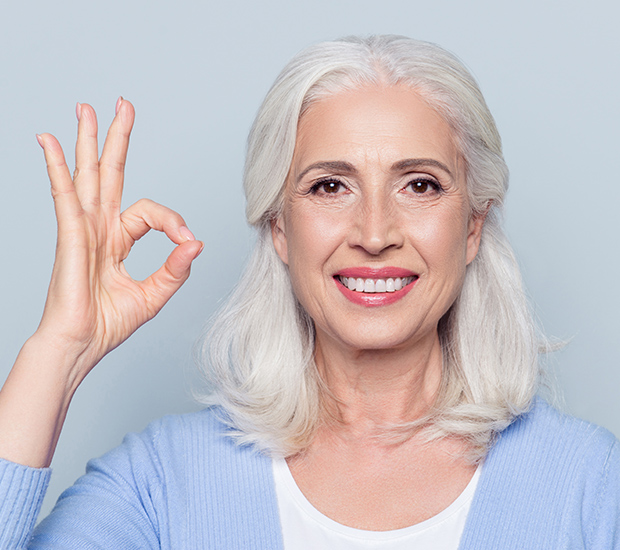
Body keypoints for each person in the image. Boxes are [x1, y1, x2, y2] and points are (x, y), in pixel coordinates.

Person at [0, 35, 618, 549]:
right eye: (329, 187)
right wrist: (57, 352)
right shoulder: (160, 485)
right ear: (279, 227)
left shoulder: (592, 488)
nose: (375, 234)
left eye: (421, 185)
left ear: (474, 225)